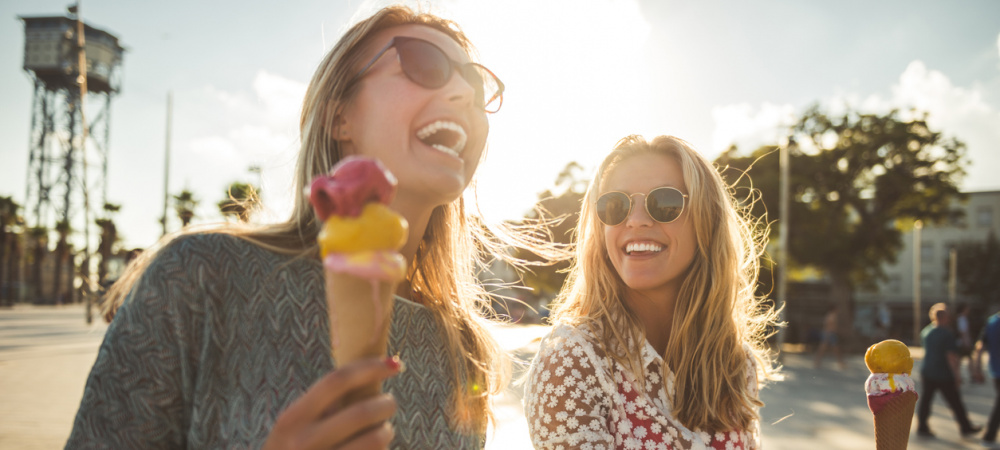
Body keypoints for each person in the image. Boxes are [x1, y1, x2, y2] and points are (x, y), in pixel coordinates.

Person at [66, 5, 534, 448]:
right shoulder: (201, 275)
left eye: (475, 81)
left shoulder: (461, 343)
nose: (464, 92)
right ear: (339, 115)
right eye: (423, 63)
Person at [523, 135, 780, 449]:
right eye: (615, 205)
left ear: (706, 222)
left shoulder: (735, 363)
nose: (636, 220)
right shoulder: (572, 359)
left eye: (665, 203)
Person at [916, 302, 981, 438]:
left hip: (928, 370)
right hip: (943, 373)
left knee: (926, 400)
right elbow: (951, 356)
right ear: (944, 317)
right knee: (955, 402)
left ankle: (922, 426)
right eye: (948, 316)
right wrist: (957, 375)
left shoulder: (926, 331)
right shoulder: (946, 333)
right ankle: (966, 427)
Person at [973, 310, 1000, 446]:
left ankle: (989, 434)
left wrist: (977, 368)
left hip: (996, 371)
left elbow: (980, 347)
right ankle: (989, 434)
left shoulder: (991, 322)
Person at [814, 305, 845, 370]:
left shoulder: (831, 315)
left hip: (830, 333)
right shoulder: (831, 315)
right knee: (832, 349)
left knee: (833, 349)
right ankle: (840, 363)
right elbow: (829, 325)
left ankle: (817, 361)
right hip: (829, 334)